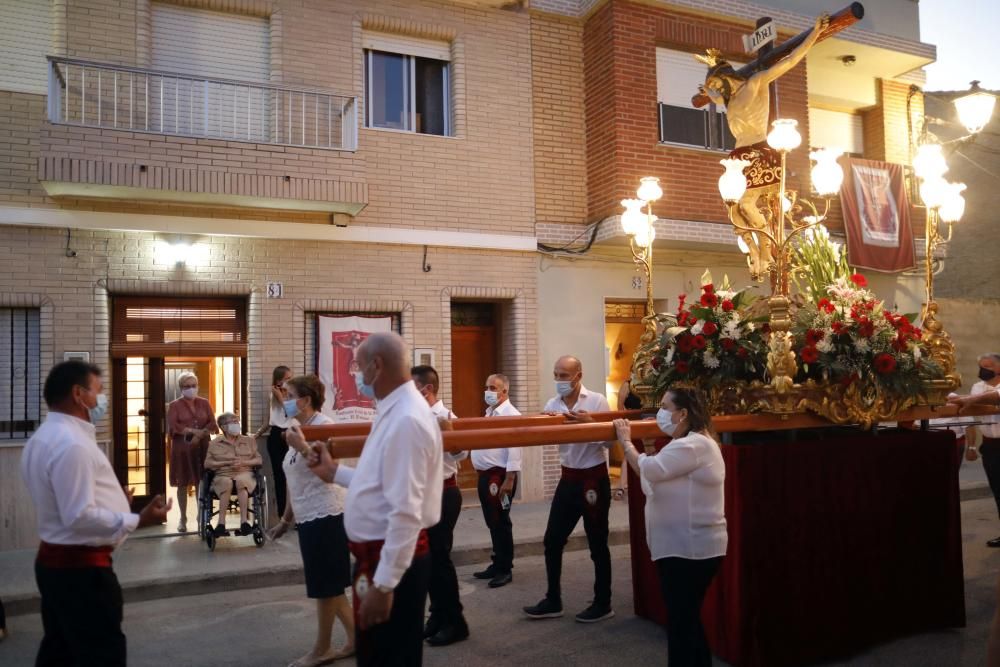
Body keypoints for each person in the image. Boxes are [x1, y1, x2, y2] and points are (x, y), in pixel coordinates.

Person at [21, 360, 171, 666]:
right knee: (100, 652)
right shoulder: (71, 444)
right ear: (79, 394)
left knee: (60, 649)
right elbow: (78, 515)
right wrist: (137, 519)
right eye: (99, 392)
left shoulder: (43, 438)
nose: (102, 400)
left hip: (57, 567)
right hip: (81, 573)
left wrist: (115, 498)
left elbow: (64, 498)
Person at [307, 332, 443, 666]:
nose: (356, 375)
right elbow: (382, 485)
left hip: (391, 560)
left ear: (376, 365)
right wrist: (333, 473)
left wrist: (384, 586)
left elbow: (407, 511)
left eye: (357, 366)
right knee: (375, 656)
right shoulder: (392, 409)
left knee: (389, 658)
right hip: (378, 557)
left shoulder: (407, 418)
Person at [697, 13, 829, 279]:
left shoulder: (755, 83)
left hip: (759, 151)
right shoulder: (729, 102)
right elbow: (711, 95)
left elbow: (790, 61)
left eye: (714, 84)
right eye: (711, 88)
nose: (713, 91)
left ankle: (766, 249)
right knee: (734, 210)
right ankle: (755, 254)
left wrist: (814, 33)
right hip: (737, 157)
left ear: (725, 77)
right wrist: (708, 88)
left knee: (746, 205)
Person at [613, 387, 727, 667]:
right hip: (686, 548)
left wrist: (626, 443)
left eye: (664, 407)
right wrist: (648, 450)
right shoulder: (688, 443)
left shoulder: (693, 445)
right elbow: (655, 477)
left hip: (689, 550)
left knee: (681, 624)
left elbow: (651, 470)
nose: (659, 413)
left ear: (683, 413)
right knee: (686, 621)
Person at [267, 374, 354, 667]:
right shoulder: (298, 428)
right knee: (330, 585)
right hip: (306, 516)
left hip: (327, 513)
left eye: (288, 394)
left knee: (325, 586)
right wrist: (285, 519)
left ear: (304, 400)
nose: (284, 400)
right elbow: (293, 479)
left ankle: (322, 648)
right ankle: (357, 639)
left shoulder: (324, 428)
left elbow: (329, 470)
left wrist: (303, 447)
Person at [524, 355, 614, 623]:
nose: (559, 381)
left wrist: (590, 424)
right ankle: (553, 600)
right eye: (556, 375)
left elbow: (610, 443)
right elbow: (546, 437)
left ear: (578, 375)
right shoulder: (552, 404)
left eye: (564, 375)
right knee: (552, 540)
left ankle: (603, 602)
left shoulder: (597, 400)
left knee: (597, 543)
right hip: (568, 479)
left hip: (593, 480)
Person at [411, 365, 471, 646]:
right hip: (423, 495)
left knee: (440, 559)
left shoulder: (445, 416)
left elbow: (462, 453)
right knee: (429, 561)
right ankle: (437, 615)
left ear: (427, 389)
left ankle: (455, 622)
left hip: (443, 493)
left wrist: (450, 434)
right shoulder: (417, 415)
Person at [472, 373, 521, 589]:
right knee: (492, 521)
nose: (489, 392)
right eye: (487, 387)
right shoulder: (490, 413)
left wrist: (509, 479)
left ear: (504, 391)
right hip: (486, 476)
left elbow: (515, 449)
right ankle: (496, 562)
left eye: (493, 388)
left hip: (500, 478)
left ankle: (505, 568)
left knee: (501, 521)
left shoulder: (511, 414)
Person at [950, 354, 1000, 546]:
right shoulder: (978, 387)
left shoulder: (981, 392)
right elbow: (973, 403)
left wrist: (972, 400)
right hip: (990, 446)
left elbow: (996, 397)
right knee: (997, 490)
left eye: (987, 366)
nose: (983, 370)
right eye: (980, 366)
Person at [166, 371, 218, 533]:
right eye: (187, 386)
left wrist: (201, 434)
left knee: (201, 482)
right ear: (181, 388)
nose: (191, 389)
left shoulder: (204, 403)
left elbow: (212, 423)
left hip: (202, 447)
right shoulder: (174, 405)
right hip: (182, 449)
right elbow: (173, 426)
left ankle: (201, 515)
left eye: (193, 386)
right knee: (182, 483)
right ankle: (182, 518)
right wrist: (191, 431)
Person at [205, 411, 263, 537]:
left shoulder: (249, 440)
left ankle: (244, 522)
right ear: (223, 427)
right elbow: (207, 464)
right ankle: (221, 523)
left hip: (244, 472)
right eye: (233, 422)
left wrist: (244, 461)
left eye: (237, 421)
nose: (237, 424)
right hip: (223, 474)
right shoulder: (214, 444)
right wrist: (225, 463)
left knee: (241, 481)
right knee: (226, 482)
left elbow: (259, 460)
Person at [255, 365, 294, 517]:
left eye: (291, 378)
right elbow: (269, 420)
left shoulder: (295, 395)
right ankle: (281, 514)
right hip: (276, 435)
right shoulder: (272, 396)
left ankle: (296, 516)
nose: (290, 381)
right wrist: (257, 434)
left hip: (291, 434)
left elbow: (292, 413)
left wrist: (281, 397)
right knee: (279, 476)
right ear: (278, 381)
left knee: (294, 475)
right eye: (287, 379)